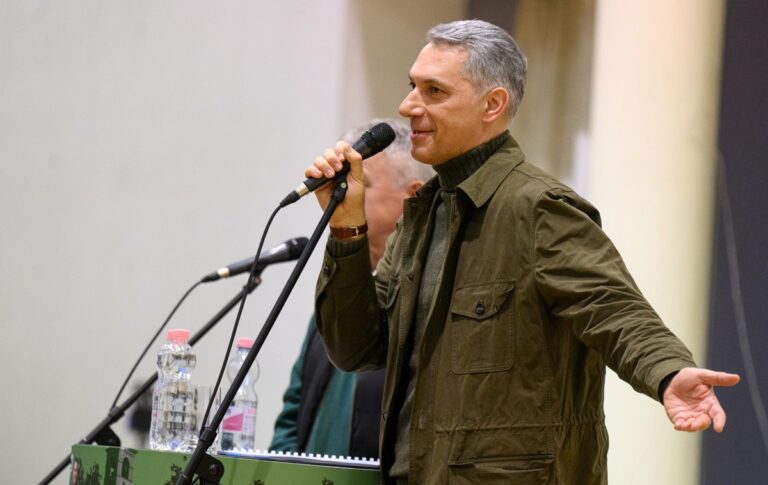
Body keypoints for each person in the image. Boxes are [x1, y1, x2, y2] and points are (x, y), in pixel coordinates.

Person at [305, 20, 740, 485]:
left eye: (434, 91)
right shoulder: (422, 215)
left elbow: (614, 309)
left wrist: (669, 372)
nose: (408, 105)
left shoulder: (539, 208)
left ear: (492, 104)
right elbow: (357, 350)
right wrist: (346, 228)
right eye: (412, 86)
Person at [270, 119, 434, 459]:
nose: (346, 192)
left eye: (364, 182)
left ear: (413, 195)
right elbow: (291, 419)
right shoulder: (338, 291)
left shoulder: (426, 297)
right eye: (344, 180)